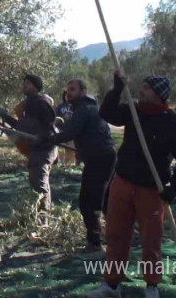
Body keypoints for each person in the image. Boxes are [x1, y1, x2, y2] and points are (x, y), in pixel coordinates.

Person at [87, 71, 176, 298]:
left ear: (158, 94)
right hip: (122, 182)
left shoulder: (171, 123)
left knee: (151, 239)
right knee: (116, 235)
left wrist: (174, 187)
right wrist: (116, 89)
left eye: (146, 88)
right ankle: (112, 284)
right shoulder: (134, 112)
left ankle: (152, 286)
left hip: (151, 189)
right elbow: (106, 113)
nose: (141, 90)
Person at [45, 79, 116, 252]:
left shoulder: (84, 109)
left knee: (88, 202)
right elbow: (77, 130)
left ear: (83, 91)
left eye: (73, 89)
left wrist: (50, 139)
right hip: (103, 157)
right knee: (105, 201)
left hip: (99, 159)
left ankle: (95, 243)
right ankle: (115, 238)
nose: (68, 92)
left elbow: (72, 132)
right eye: (67, 89)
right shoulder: (86, 107)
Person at [0, 74, 57, 210]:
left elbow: (48, 124)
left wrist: (42, 136)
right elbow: (22, 127)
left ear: (36, 87)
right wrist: (5, 118)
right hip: (36, 148)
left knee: (40, 185)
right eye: (24, 83)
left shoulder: (40, 103)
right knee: (39, 183)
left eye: (28, 83)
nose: (25, 85)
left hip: (43, 149)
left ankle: (43, 220)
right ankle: (42, 216)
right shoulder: (29, 103)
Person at [54, 90, 78, 167]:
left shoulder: (76, 106)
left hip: (72, 131)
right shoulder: (60, 107)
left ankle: (70, 163)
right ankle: (62, 163)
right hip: (62, 130)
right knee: (61, 148)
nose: (68, 96)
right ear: (64, 96)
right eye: (66, 95)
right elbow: (56, 118)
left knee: (71, 148)